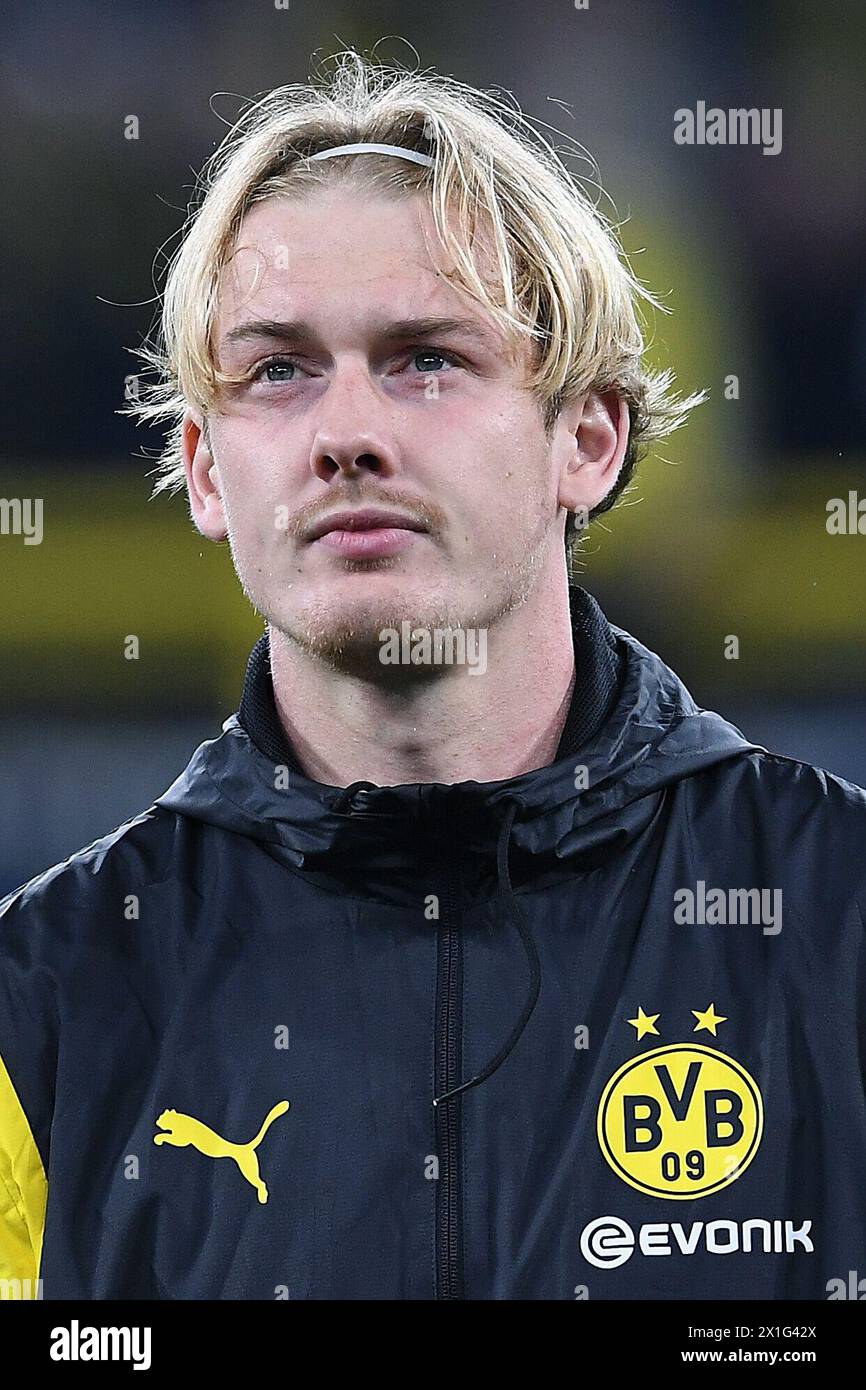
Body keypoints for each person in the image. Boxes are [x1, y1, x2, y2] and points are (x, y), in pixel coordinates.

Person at [2, 53, 864, 1302]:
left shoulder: (834, 919)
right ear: (202, 469)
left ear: (586, 438)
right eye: (277, 371)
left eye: (424, 359)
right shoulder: (45, 1004)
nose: (347, 432)